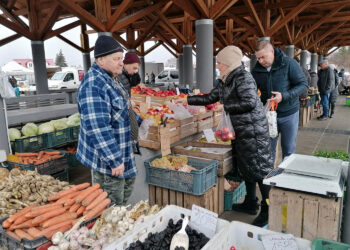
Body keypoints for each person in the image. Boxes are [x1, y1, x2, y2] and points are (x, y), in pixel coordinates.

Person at [175, 45, 273, 227]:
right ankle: (250, 203)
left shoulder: (243, 77)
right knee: (247, 169)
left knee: (261, 172)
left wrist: (226, 107)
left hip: (254, 132)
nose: (218, 66)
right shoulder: (225, 79)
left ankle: (267, 212)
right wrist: (187, 100)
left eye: (220, 62)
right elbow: (210, 98)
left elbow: (250, 102)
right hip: (241, 132)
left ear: (228, 63)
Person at [76, 35, 142, 205]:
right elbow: (98, 127)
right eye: (116, 59)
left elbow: (122, 109)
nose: (121, 62)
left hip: (123, 150)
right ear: (100, 60)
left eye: (121, 58)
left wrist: (139, 120)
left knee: (124, 195)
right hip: (107, 161)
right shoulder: (94, 85)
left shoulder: (112, 79)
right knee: (111, 206)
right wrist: (114, 160)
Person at [252, 41, 308, 162]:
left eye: (263, 57)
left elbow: (303, 85)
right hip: (269, 115)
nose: (260, 61)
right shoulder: (256, 71)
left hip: (289, 114)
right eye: (258, 58)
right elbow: (252, 91)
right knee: (267, 150)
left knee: (288, 150)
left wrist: (284, 96)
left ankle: (286, 178)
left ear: (272, 51)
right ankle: (268, 179)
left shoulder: (289, 63)